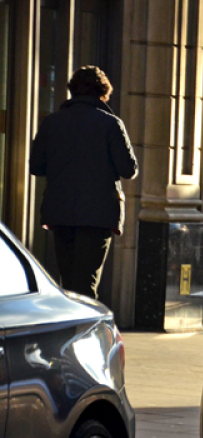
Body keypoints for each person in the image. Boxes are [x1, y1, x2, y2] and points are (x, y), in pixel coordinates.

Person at [29, 65, 137, 300]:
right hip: (98, 214)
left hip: (60, 212)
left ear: (72, 90)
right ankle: (86, 333)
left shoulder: (51, 122)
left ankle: (70, 331)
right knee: (87, 280)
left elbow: (36, 166)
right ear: (103, 91)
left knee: (68, 280)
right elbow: (128, 170)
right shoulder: (111, 123)